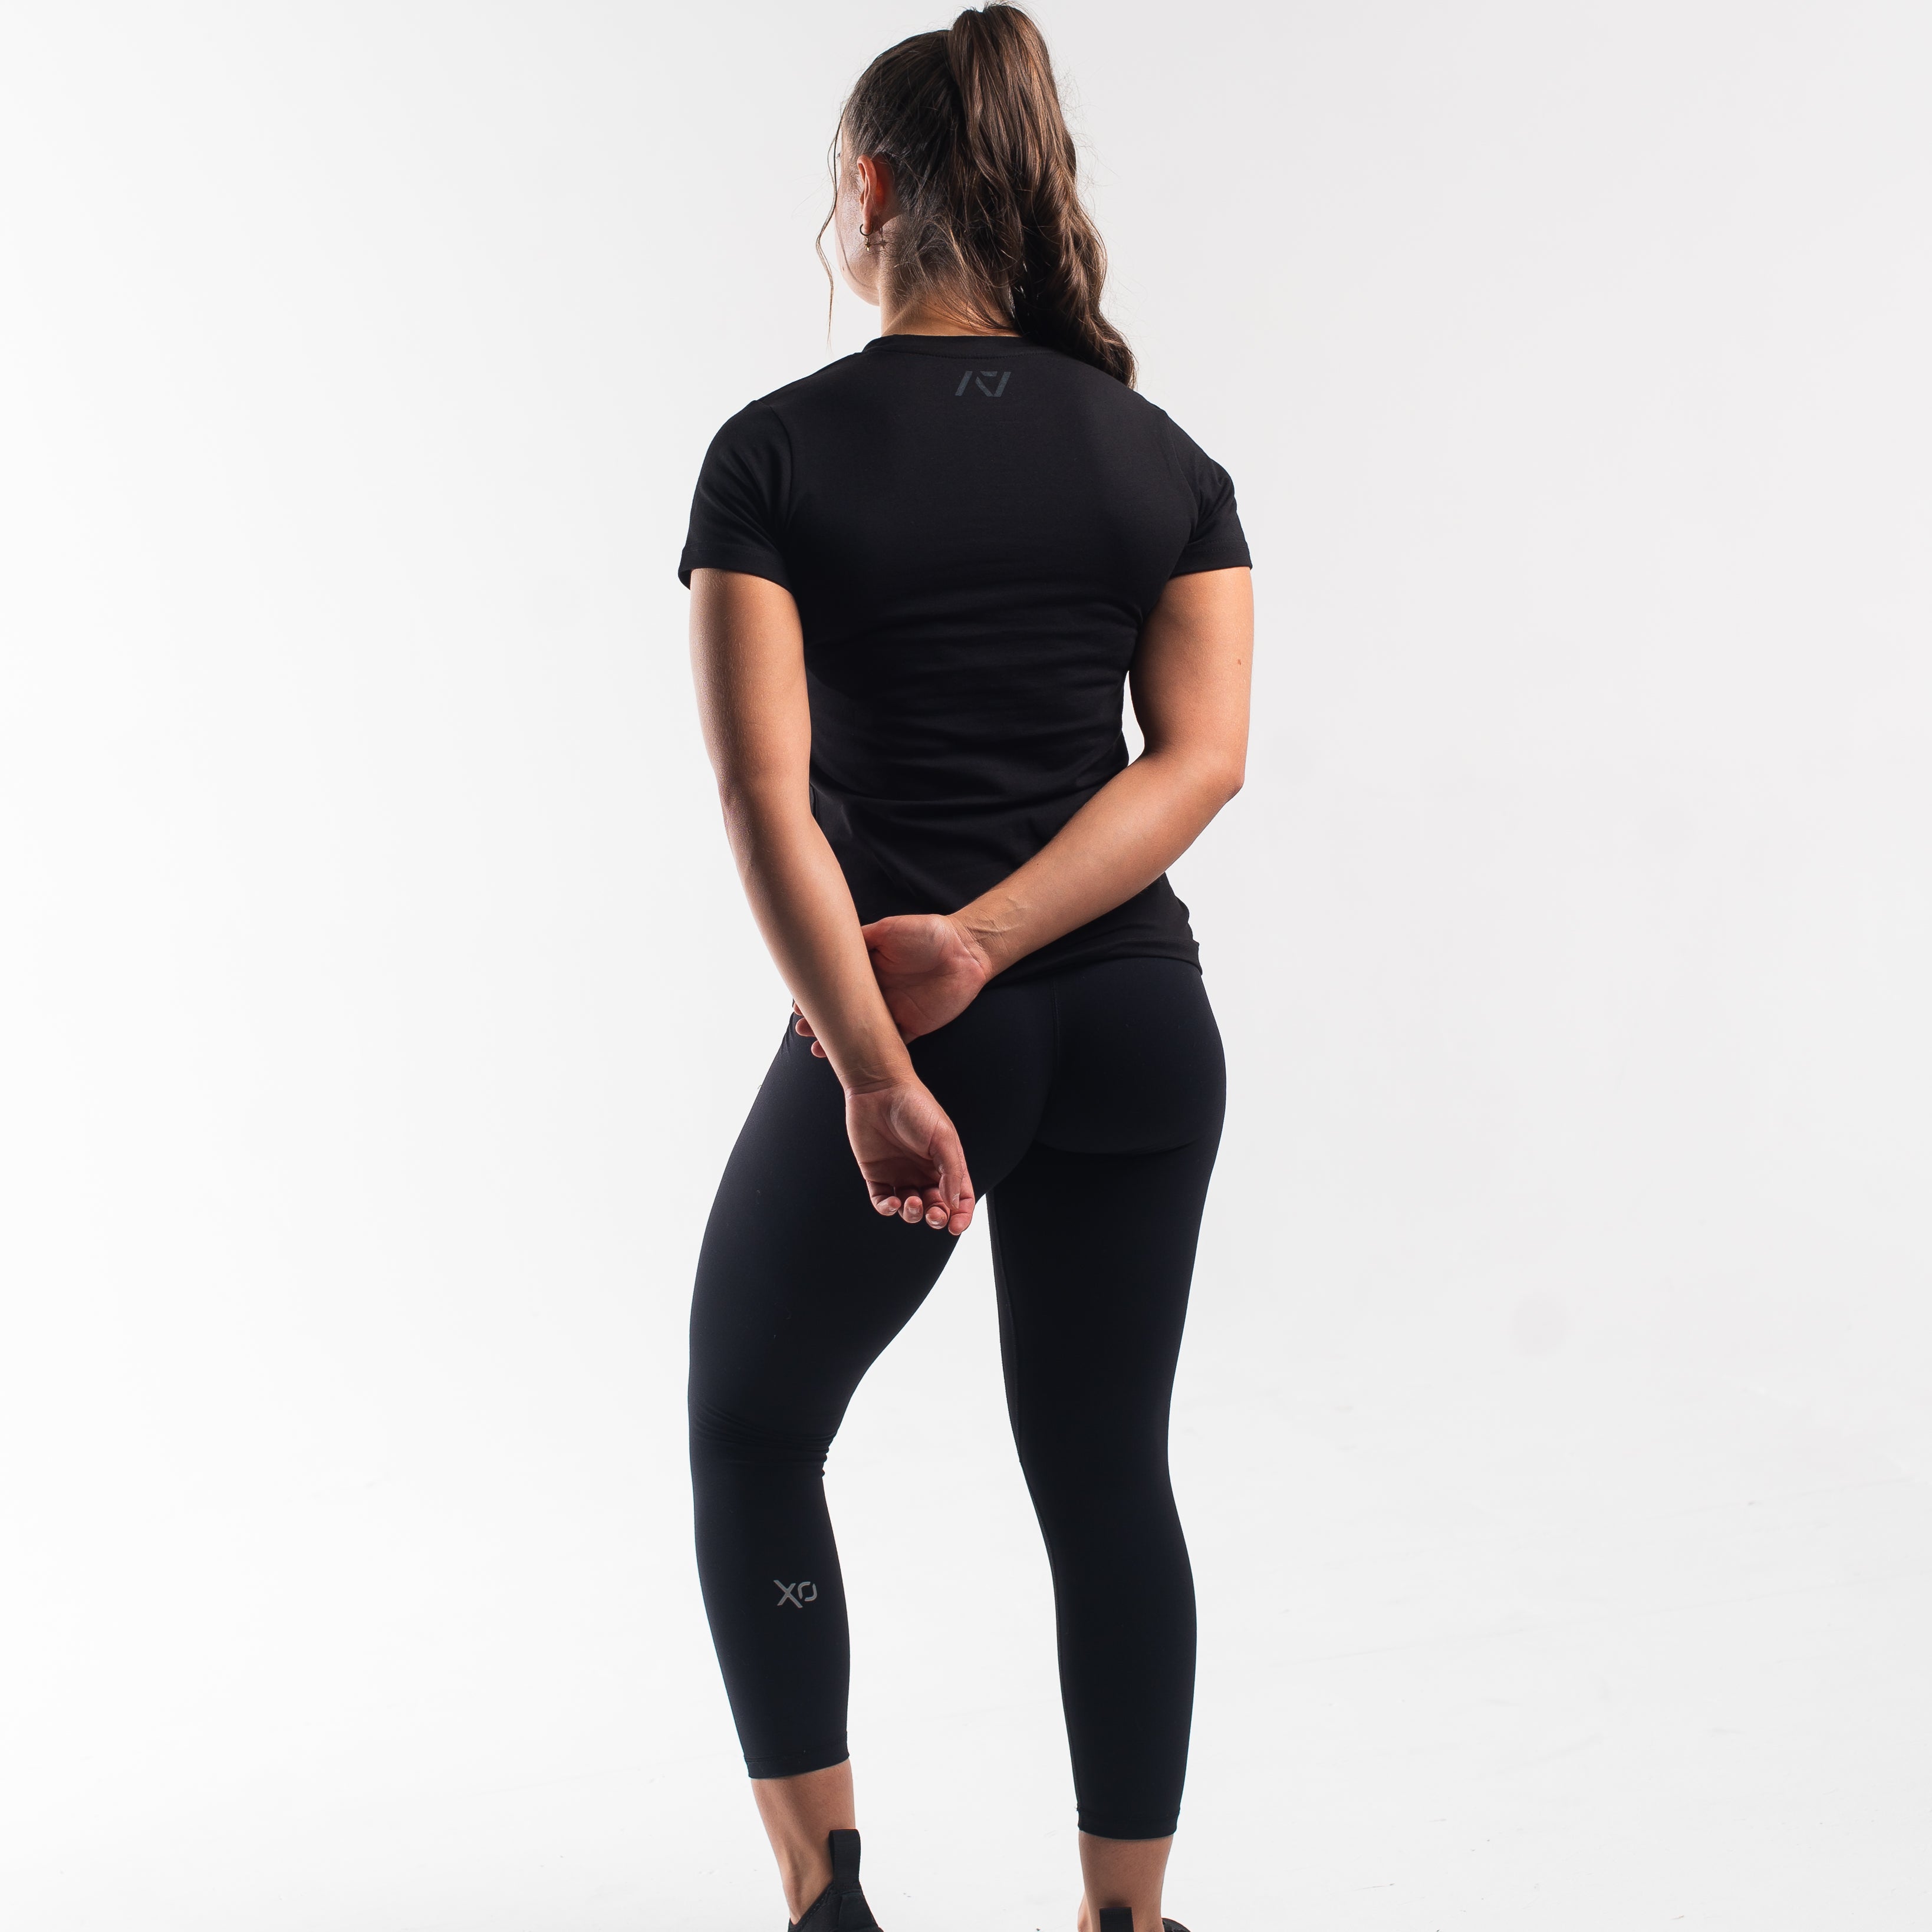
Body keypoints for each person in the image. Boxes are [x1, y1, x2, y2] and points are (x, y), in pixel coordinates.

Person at [677, 8, 1251, 1928]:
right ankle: (1130, 1921)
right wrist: (1007, 931)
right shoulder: (1163, 459)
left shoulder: (775, 454)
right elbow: (1201, 764)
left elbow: (764, 798)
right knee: (1109, 1479)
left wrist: (874, 1056)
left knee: (755, 1424)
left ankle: (827, 1902)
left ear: (869, 190)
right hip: (1144, 1028)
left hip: (929, 1037)